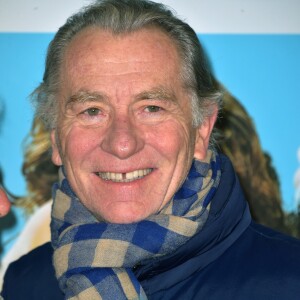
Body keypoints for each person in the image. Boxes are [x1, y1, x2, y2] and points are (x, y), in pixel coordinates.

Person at [1, 0, 300, 299]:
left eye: (152, 108)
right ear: (56, 139)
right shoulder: (23, 285)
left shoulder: (290, 280)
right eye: (92, 111)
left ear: (201, 129)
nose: (121, 144)